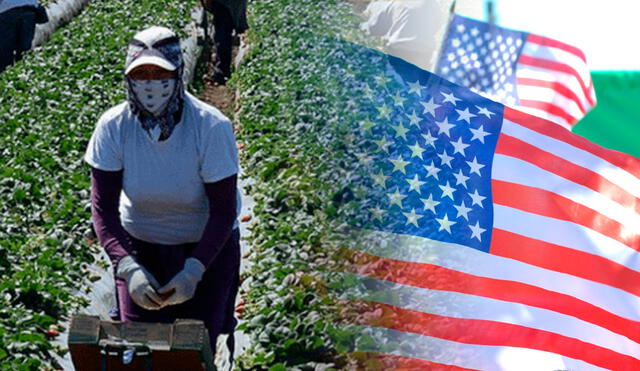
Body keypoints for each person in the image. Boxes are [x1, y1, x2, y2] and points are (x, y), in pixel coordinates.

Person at [84, 26, 242, 358]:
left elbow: (224, 211)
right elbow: (104, 210)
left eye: (160, 72)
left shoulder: (210, 126)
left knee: (192, 352)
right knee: (143, 351)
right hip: (140, 250)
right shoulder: (113, 126)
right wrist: (128, 269)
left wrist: (194, 270)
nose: (151, 83)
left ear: (177, 71)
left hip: (206, 250)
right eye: (141, 73)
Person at [202, 0, 249, 85]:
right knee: (225, 33)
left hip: (224, 4)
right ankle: (223, 69)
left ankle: (220, 72)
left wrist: (208, 4)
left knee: (222, 36)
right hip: (234, 4)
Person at [0, 0, 49, 72]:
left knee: (5, 50)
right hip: (28, 11)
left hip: (7, 12)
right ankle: (22, 72)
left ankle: (5, 74)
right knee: (24, 48)